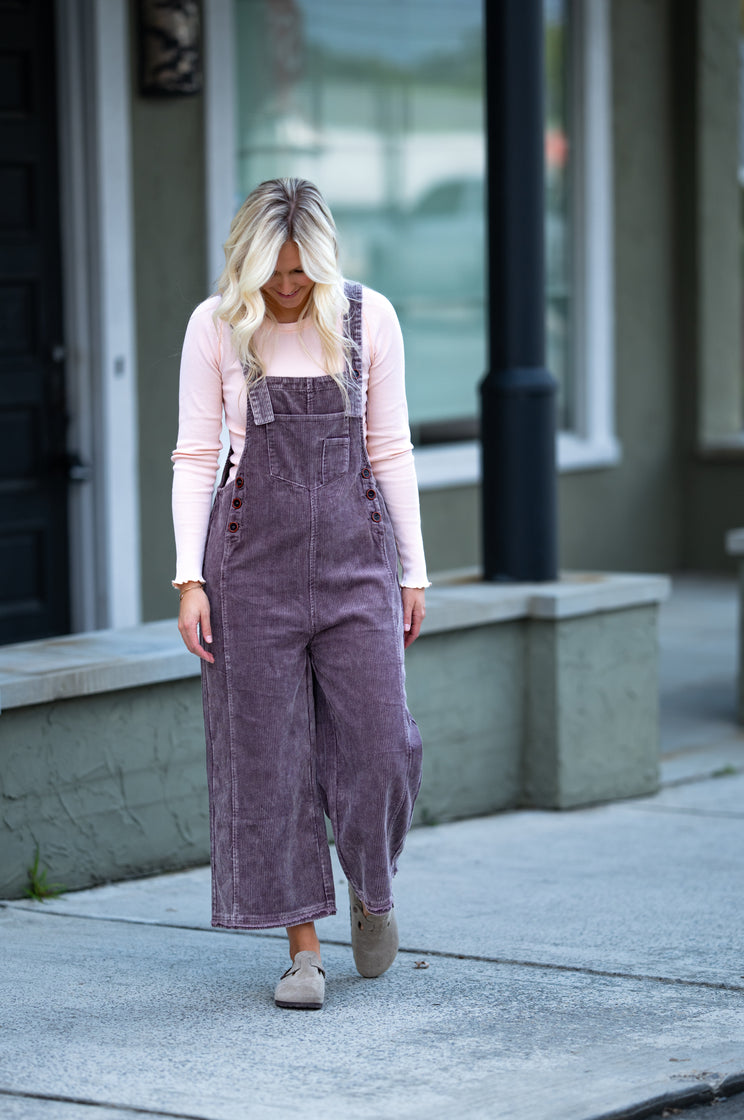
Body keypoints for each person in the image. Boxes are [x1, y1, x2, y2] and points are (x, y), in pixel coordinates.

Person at [171, 177, 428, 1011]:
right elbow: (193, 458)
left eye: (300, 273)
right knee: (270, 758)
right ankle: (303, 949)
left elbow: (390, 448)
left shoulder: (367, 318)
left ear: (323, 263)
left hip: (358, 563)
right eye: (272, 274)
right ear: (245, 265)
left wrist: (413, 571)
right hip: (249, 568)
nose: (287, 289)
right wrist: (190, 579)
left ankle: (372, 887)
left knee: (382, 746)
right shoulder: (215, 328)